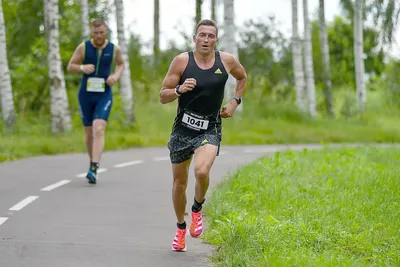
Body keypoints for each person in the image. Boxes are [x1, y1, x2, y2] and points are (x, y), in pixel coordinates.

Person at [159, 19, 247, 252]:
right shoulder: (181, 61)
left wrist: (235, 102)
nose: (206, 40)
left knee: (202, 170)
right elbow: (163, 95)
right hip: (182, 129)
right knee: (180, 184)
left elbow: (243, 78)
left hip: (210, 127)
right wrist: (179, 89)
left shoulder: (226, 61)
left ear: (216, 40)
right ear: (194, 38)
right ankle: (180, 228)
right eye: (202, 35)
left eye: (211, 36)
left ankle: (197, 209)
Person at [67, 18, 125, 184]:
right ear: (92, 32)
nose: (98, 36)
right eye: (95, 33)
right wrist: (81, 68)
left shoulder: (114, 49)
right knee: (88, 132)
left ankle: (94, 167)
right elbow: (70, 66)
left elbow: (121, 64)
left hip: (104, 94)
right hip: (86, 94)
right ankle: (92, 161)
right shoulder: (84, 47)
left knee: (98, 128)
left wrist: (115, 76)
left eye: (101, 32)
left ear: (106, 31)